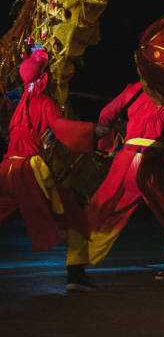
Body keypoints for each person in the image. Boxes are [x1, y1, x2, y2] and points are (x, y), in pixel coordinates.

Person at [64, 80, 164, 288]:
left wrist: (107, 137)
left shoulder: (134, 90)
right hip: (157, 161)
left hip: (127, 160)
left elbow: (107, 114)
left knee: (101, 212)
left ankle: (75, 270)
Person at [0, 47, 103, 290]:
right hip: (29, 171)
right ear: (45, 76)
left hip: (6, 169)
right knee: (75, 216)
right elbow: (60, 127)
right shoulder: (45, 102)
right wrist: (91, 130)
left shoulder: (20, 106)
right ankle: (76, 275)